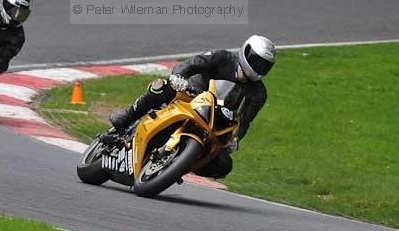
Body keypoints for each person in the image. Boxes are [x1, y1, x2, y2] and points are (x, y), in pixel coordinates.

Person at [109, 35, 276, 179]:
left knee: (224, 164)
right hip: (189, 96)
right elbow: (192, 63)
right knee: (161, 87)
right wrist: (179, 76)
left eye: (264, 65)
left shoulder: (258, 93)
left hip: (215, 120)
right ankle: (127, 116)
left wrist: (235, 139)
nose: (258, 67)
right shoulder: (222, 57)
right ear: (245, 52)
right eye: (256, 61)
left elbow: (244, 121)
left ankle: (178, 165)